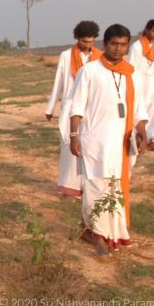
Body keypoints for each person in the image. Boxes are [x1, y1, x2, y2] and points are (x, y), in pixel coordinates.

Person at [68, 24, 148, 257]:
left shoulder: (133, 74)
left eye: (123, 44)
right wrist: (73, 136)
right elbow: (77, 107)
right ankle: (98, 235)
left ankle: (102, 231)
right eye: (114, 44)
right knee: (95, 186)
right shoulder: (90, 71)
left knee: (114, 188)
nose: (118, 48)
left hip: (121, 144)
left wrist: (143, 134)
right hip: (94, 140)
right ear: (105, 44)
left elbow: (139, 111)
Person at [44, 21, 103, 197]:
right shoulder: (66, 56)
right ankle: (68, 187)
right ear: (77, 38)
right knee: (69, 145)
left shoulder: (100, 56)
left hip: (91, 107)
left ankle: (88, 186)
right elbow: (59, 82)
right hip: (70, 106)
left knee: (89, 146)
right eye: (84, 41)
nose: (88, 45)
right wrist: (50, 107)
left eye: (91, 41)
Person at [127, 19, 154, 151]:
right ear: (147, 30)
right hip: (139, 82)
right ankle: (136, 138)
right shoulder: (136, 46)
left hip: (151, 83)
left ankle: (151, 138)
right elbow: (131, 66)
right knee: (138, 110)